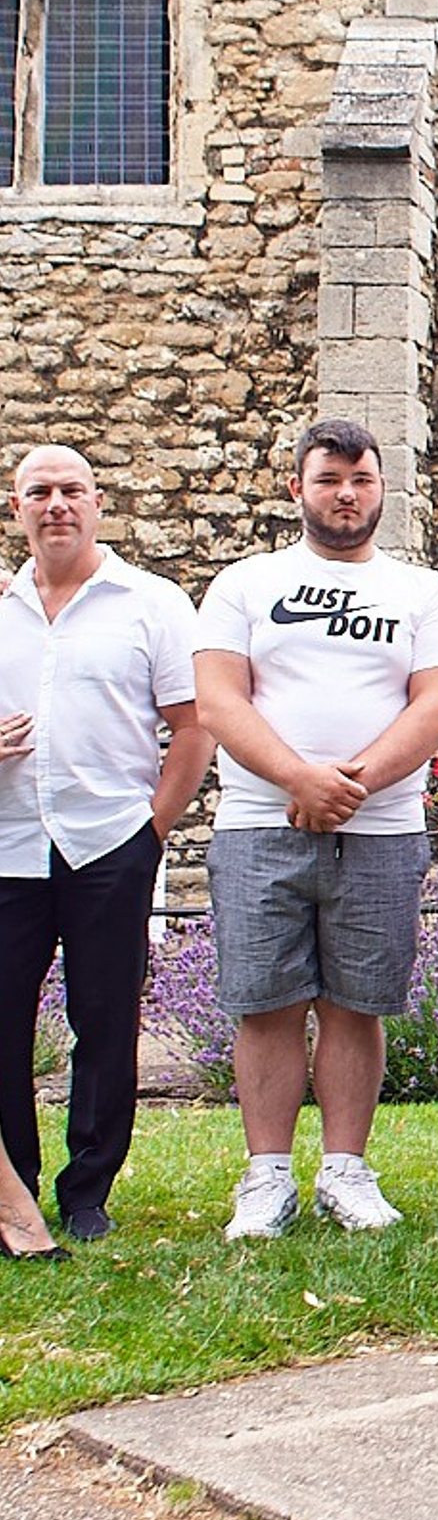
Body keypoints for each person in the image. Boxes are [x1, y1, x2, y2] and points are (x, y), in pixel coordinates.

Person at [195, 419, 438, 1242]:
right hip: (257, 823)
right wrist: (298, 778)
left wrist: (349, 785)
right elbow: (219, 700)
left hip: (379, 829)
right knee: (266, 1002)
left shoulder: (419, 591)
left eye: (361, 479)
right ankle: (267, 1178)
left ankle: (345, 1172)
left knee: (357, 1003)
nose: (346, 493)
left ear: (382, 489)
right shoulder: (244, 584)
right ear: (296, 489)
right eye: (329, 479)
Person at [0, 446, 214, 1240]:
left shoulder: (149, 603)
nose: (56, 505)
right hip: (8, 844)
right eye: (38, 492)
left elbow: (191, 729)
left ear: (97, 503)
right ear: (17, 507)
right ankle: (12, 1186)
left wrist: (151, 831)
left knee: (105, 1021)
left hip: (108, 844)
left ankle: (87, 1192)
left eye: (71, 491)